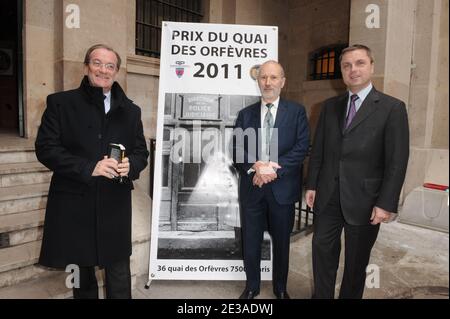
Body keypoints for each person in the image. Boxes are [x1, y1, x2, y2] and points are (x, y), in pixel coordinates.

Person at [35, 44, 149, 299]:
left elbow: (142, 153)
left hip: (114, 203)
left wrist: (132, 165)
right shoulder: (60, 103)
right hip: (75, 201)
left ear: (117, 71)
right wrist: (90, 167)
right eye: (97, 63)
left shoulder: (131, 111)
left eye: (110, 66)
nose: (103, 70)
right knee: (82, 276)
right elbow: (46, 148)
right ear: (86, 67)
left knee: (119, 273)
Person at [305, 44, 409, 299]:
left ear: (372, 66)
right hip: (328, 196)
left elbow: (397, 160)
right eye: (347, 65)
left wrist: (386, 203)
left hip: (366, 201)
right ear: (341, 70)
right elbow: (318, 150)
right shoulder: (328, 106)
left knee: (355, 264)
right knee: (321, 253)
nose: (353, 70)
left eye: (360, 63)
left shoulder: (392, 108)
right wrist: (312, 185)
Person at [232, 60, 309, 299]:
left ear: (282, 82)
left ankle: (281, 288)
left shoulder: (296, 112)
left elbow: (302, 146)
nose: (268, 82)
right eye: (264, 77)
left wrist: (274, 171)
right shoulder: (245, 115)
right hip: (252, 188)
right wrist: (255, 168)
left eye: (273, 78)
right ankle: (252, 286)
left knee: (282, 243)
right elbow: (236, 148)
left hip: (282, 189)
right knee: (251, 241)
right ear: (258, 81)